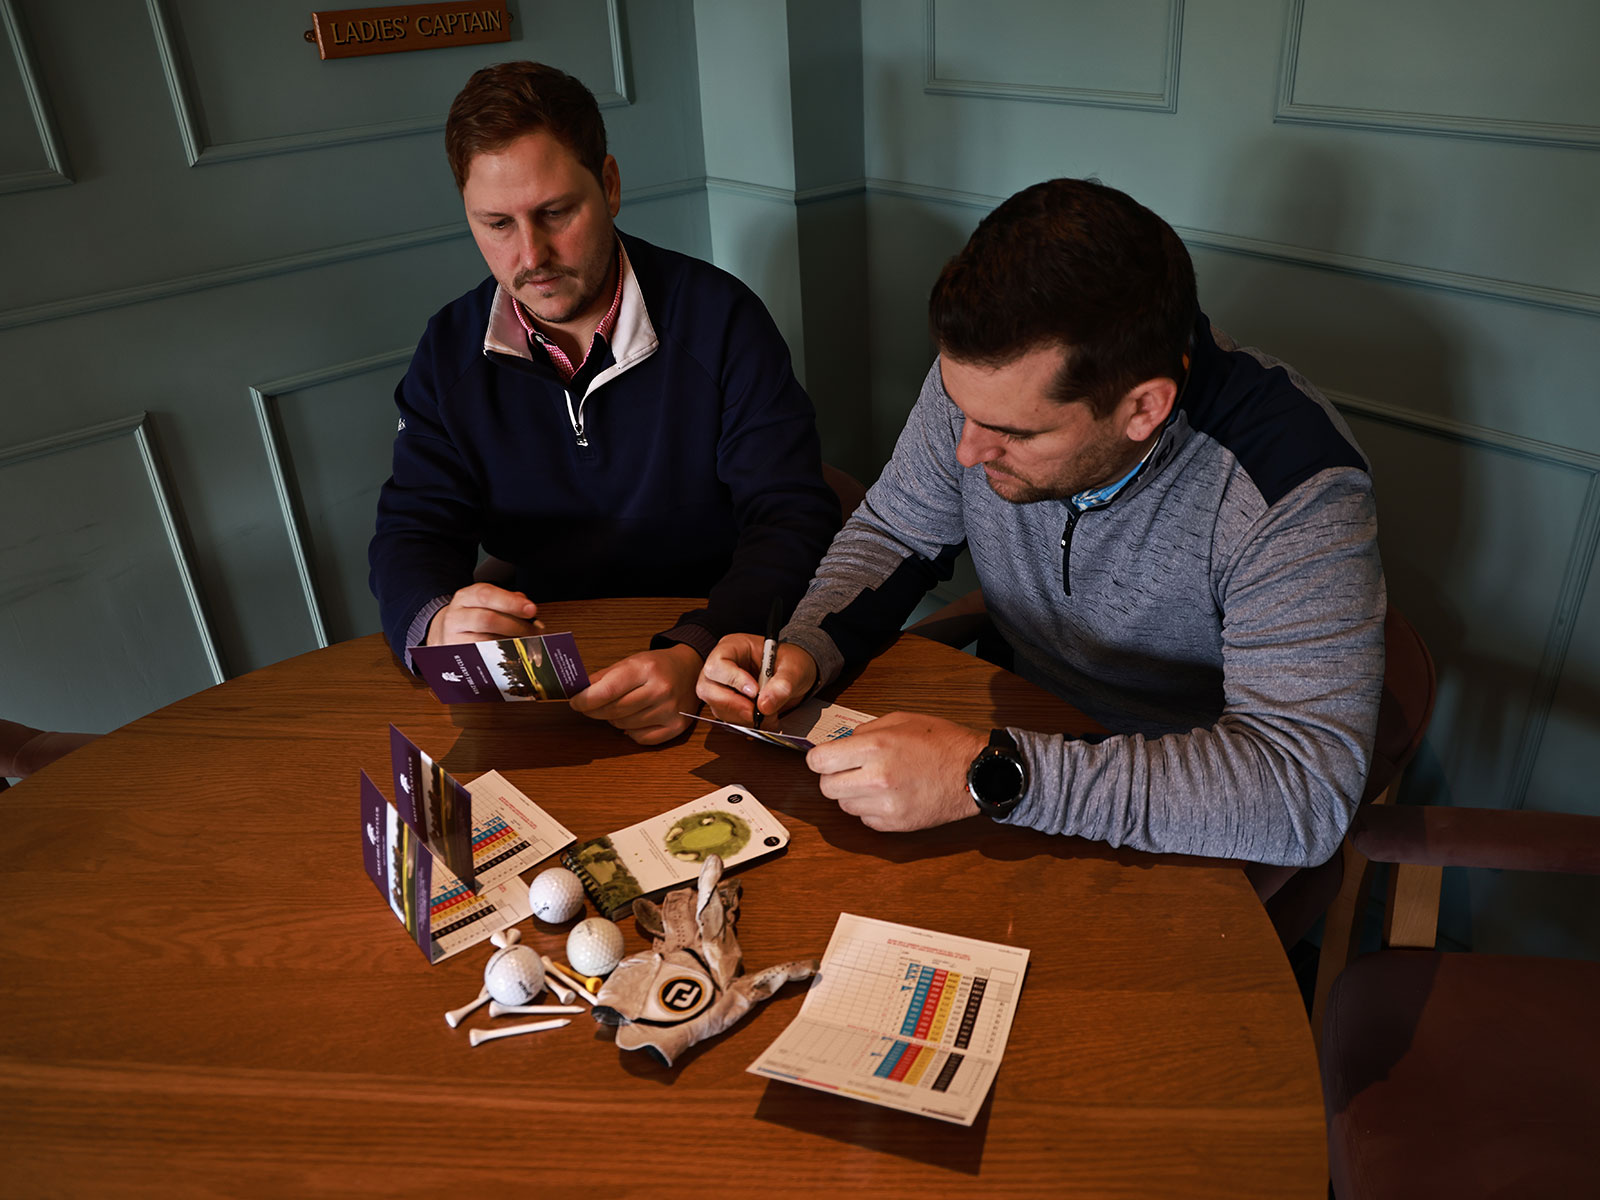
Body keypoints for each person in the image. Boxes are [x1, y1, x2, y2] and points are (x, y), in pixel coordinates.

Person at [697, 178, 1385, 867]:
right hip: (1008, 750)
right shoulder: (988, 386)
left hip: (1188, 818)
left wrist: (988, 774)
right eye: (960, 408)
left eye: (1013, 433)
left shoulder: (1294, 487)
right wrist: (804, 648)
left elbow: (1300, 793)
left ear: (1143, 408)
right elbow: (897, 533)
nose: (967, 451)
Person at [369, 62, 840, 745]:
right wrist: (436, 623)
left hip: (717, 656)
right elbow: (412, 529)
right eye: (496, 224)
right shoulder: (447, 351)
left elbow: (791, 516)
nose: (531, 255)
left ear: (610, 185)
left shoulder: (722, 319)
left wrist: (696, 647)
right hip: (548, 673)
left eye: (555, 213)